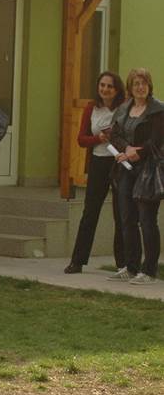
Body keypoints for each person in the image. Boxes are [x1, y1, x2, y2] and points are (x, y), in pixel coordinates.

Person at [64, 72, 126, 274]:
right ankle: (77, 261)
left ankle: (123, 264)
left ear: (117, 90)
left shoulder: (124, 108)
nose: (105, 89)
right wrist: (98, 138)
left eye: (110, 86)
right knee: (90, 212)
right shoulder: (92, 107)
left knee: (120, 213)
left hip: (118, 162)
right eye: (102, 85)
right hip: (98, 162)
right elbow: (81, 139)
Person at [108, 68, 163, 285]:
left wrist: (137, 152)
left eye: (144, 83)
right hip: (126, 169)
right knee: (126, 219)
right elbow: (114, 135)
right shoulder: (124, 109)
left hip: (148, 171)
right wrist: (126, 148)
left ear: (149, 86)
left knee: (147, 220)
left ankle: (149, 271)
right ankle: (131, 267)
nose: (140, 87)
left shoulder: (158, 110)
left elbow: (157, 140)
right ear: (130, 88)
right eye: (136, 83)